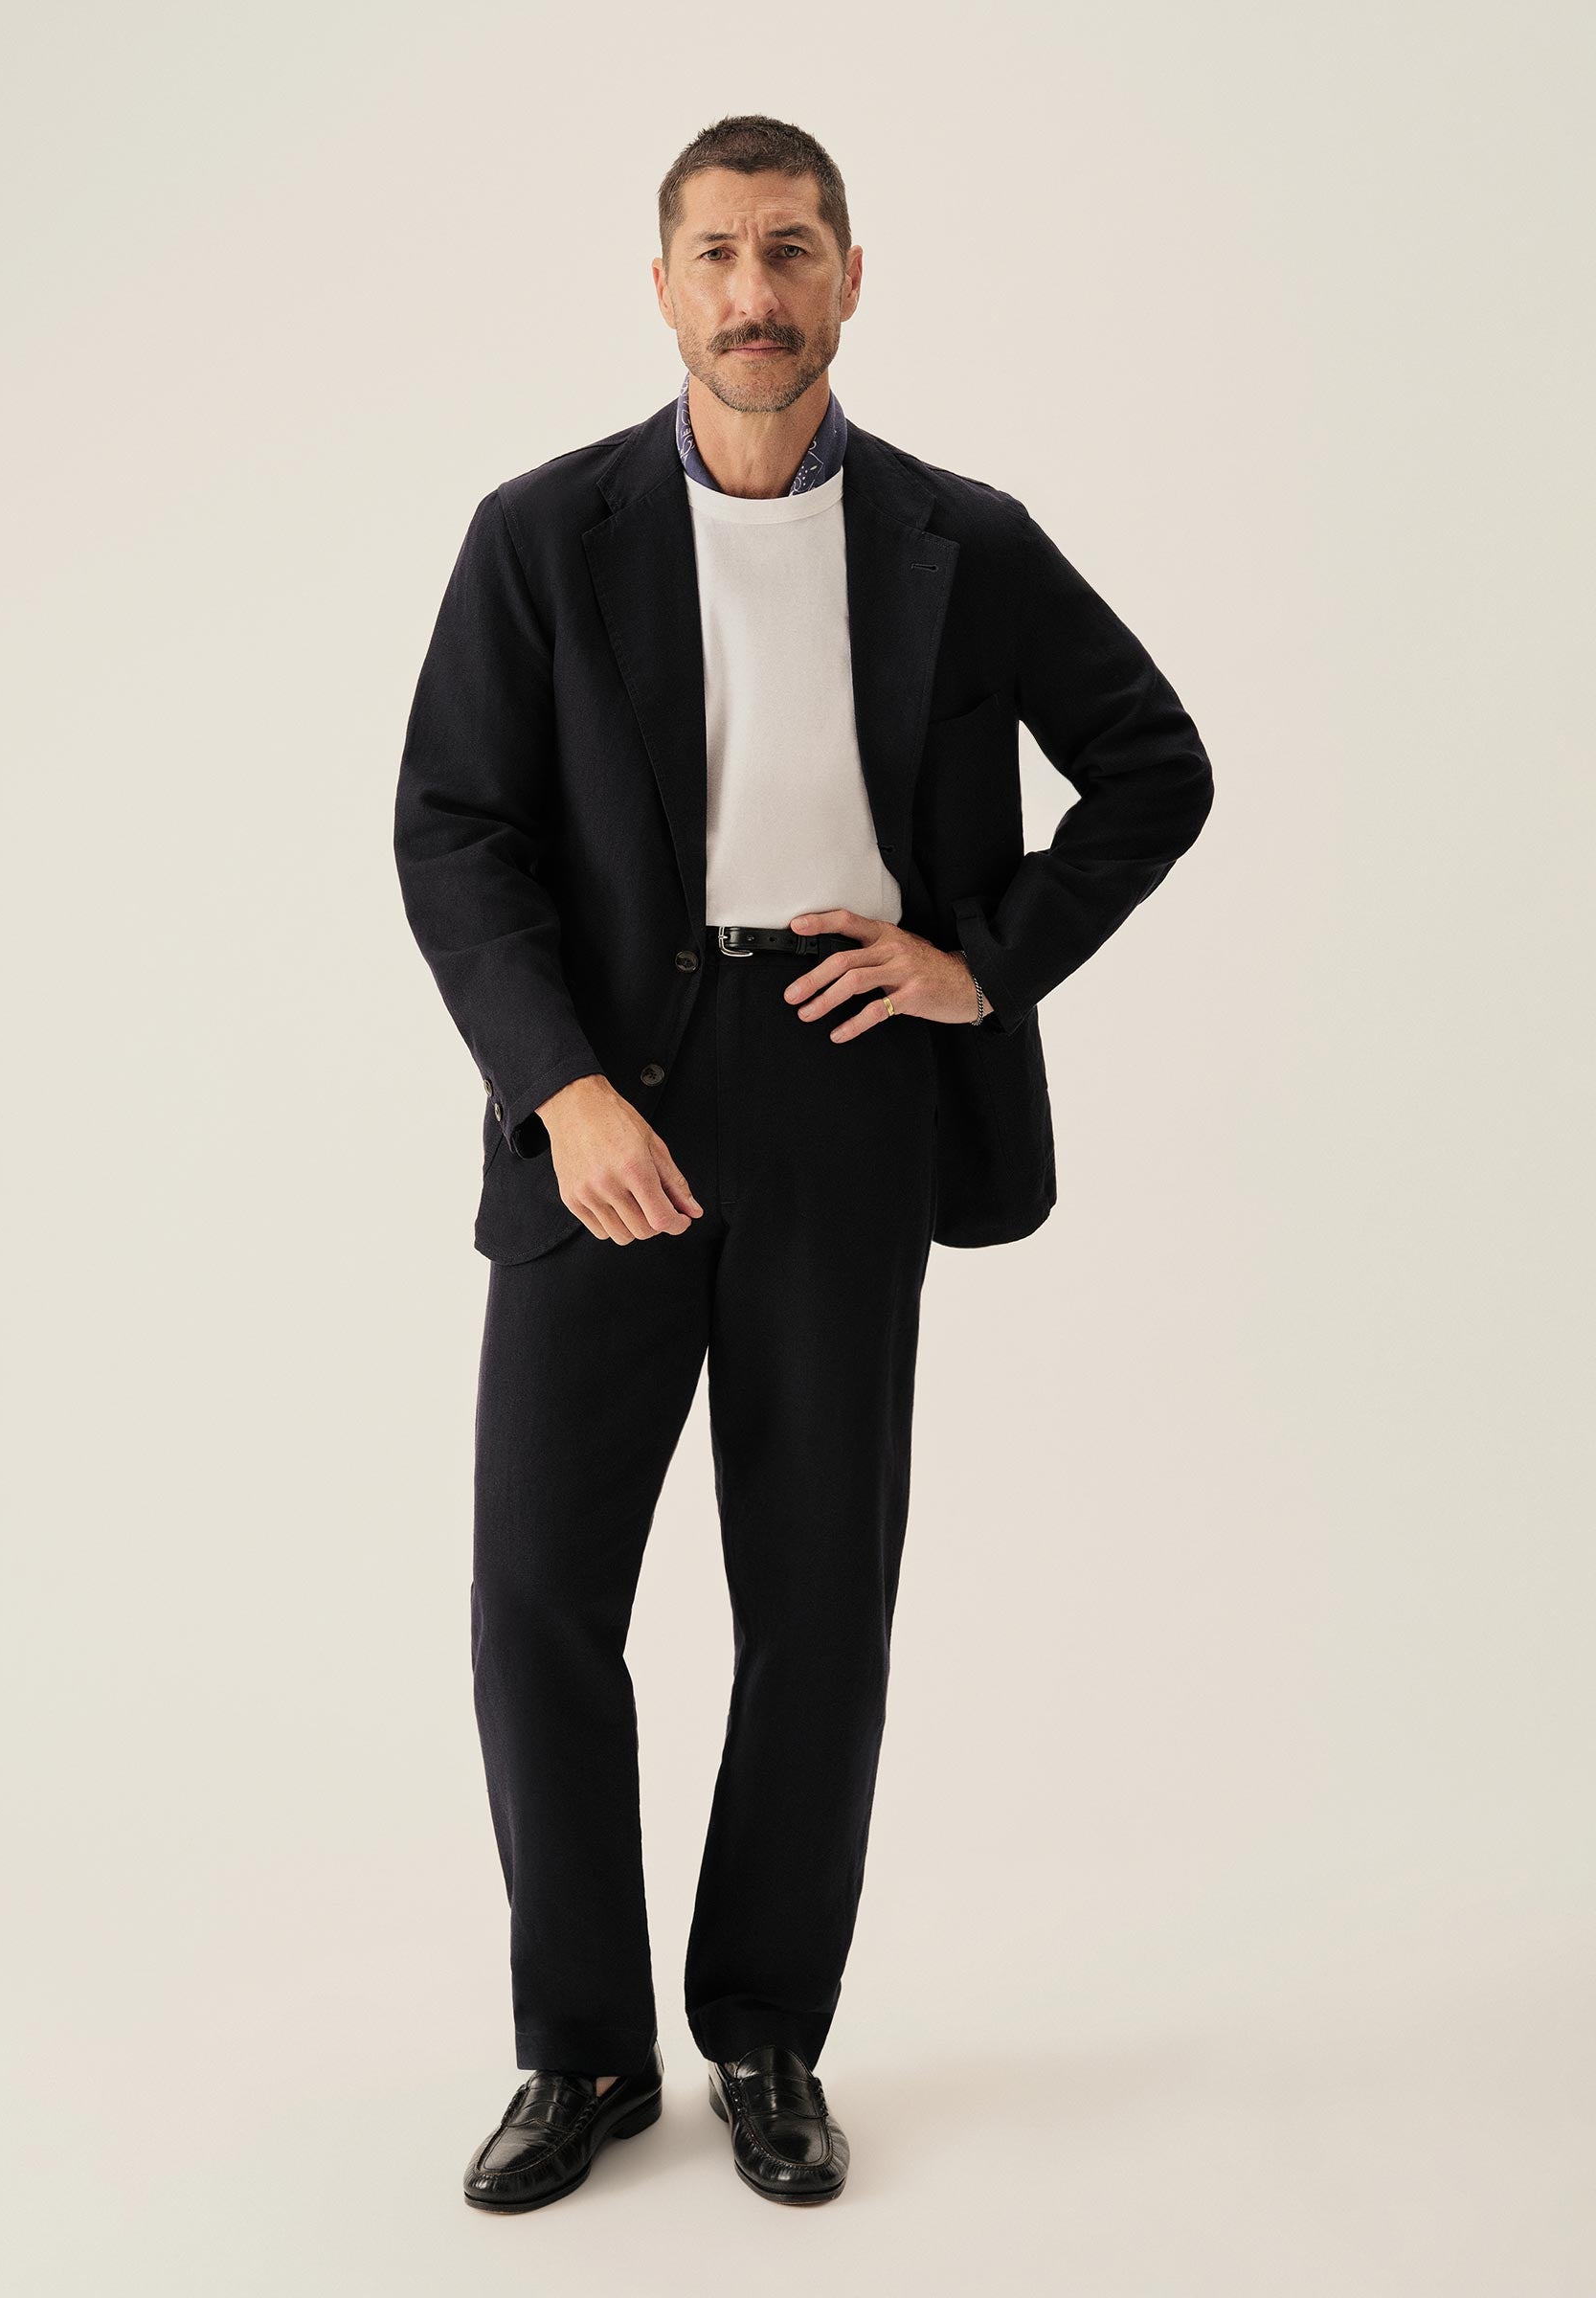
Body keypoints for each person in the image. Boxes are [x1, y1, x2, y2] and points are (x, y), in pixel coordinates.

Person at [393, 111, 1214, 2213]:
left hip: (849, 1088)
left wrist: (980, 963)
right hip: (608, 1101)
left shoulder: (963, 536)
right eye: (718, 255)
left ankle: (764, 2033)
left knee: (819, 1592)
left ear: (851, 276)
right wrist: (563, 1092)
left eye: (791, 250)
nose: (754, 293)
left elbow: (1155, 763)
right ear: (661, 286)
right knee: (538, 1594)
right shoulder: (539, 534)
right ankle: (585, 2054)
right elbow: (456, 835)